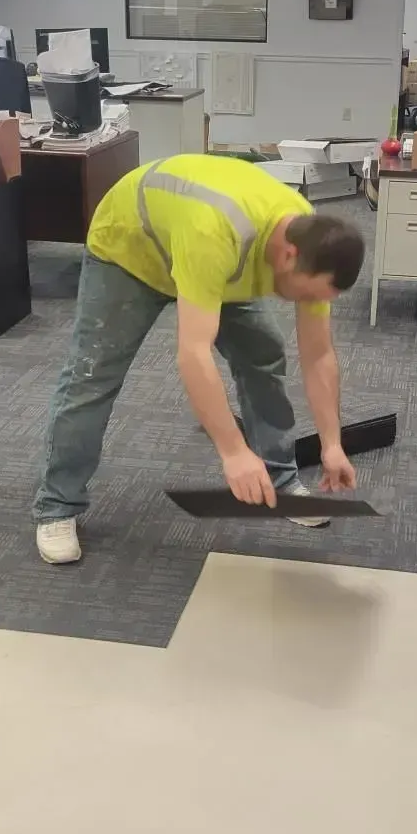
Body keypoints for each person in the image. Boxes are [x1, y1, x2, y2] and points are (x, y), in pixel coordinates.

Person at [32, 154, 366, 565]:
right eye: (311, 294)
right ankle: (57, 507)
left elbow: (318, 356)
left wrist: (332, 444)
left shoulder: (311, 239)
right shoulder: (216, 233)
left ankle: (279, 479)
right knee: (93, 375)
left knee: (263, 355)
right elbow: (193, 354)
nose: (314, 304)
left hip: (214, 260)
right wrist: (233, 453)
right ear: (288, 256)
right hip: (132, 251)